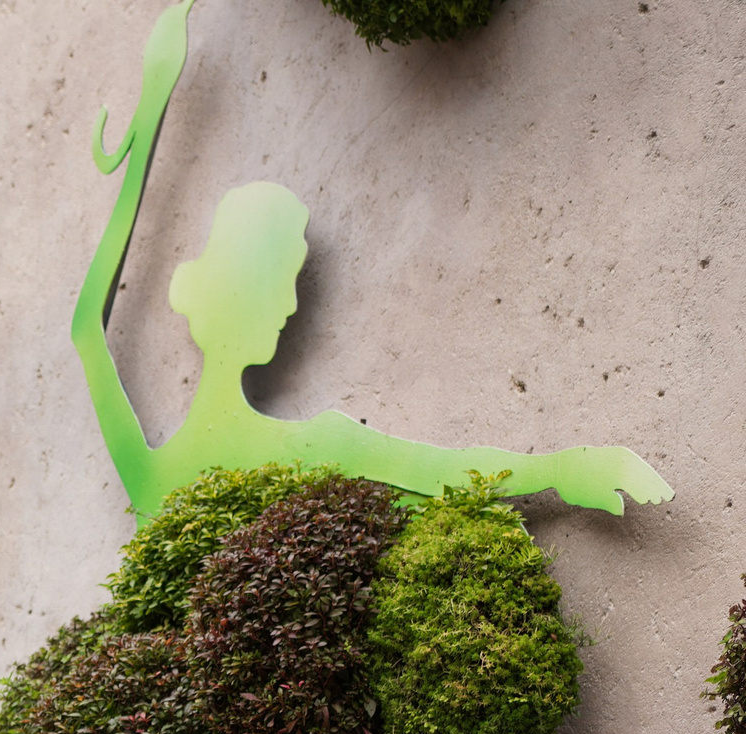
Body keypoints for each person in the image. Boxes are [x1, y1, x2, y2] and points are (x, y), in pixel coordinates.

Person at [73, 0, 670, 520]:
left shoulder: (188, 470)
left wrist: (558, 471)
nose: (283, 304)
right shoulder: (210, 466)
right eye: (266, 280)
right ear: (191, 284)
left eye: (282, 282)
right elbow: (85, 331)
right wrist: (152, 107)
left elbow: (433, 473)